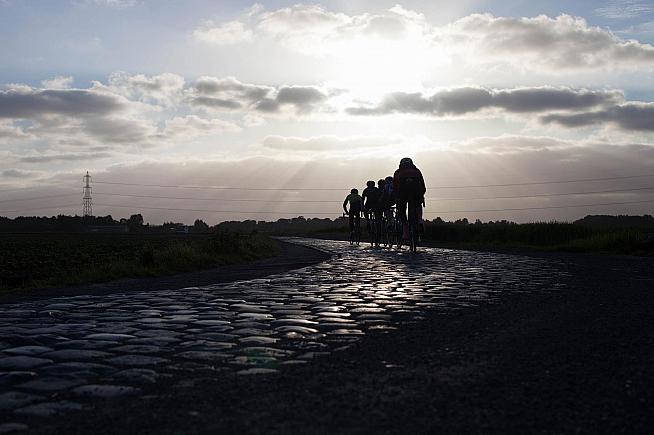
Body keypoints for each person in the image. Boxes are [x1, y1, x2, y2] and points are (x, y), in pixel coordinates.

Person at [393, 157, 426, 240]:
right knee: (418, 204)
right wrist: (421, 194)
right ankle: (419, 220)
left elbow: (395, 186)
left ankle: (405, 230)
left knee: (401, 209)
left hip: (402, 191)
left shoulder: (398, 172)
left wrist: (396, 197)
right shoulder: (417, 171)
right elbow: (422, 184)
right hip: (416, 191)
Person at [362, 180, 382, 246]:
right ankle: (369, 221)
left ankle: (370, 222)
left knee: (377, 218)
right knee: (377, 218)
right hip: (373, 204)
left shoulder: (366, 190)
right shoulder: (375, 189)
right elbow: (363, 199)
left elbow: (362, 199)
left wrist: (362, 206)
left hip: (373, 204)